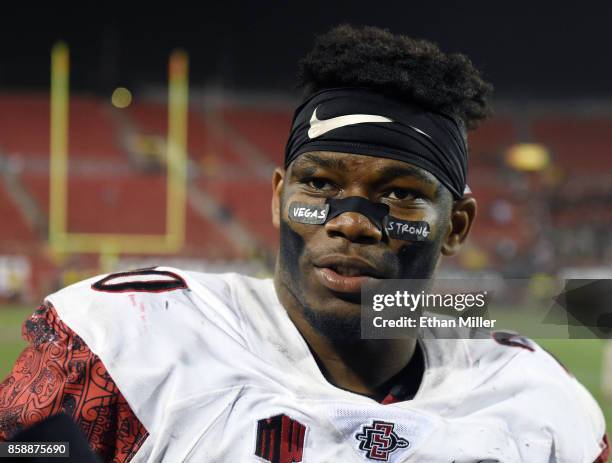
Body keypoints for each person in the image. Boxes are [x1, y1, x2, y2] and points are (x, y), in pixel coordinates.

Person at [0, 25, 608, 462]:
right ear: (277, 196)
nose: (352, 222)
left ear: (457, 227)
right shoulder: (120, 347)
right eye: (319, 182)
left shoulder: (539, 403)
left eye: (399, 194)